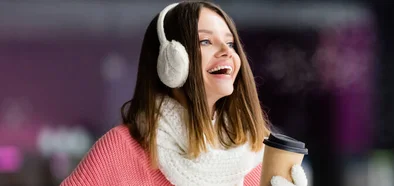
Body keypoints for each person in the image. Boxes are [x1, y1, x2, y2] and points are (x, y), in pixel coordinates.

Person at [61, 1, 307, 186]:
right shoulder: (122, 150)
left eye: (231, 43)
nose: (227, 52)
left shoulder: (256, 156)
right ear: (173, 62)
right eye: (205, 42)